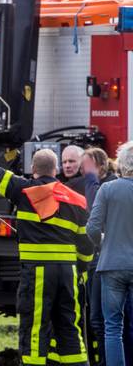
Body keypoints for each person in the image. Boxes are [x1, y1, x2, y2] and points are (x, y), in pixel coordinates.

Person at [0, 133, 93, 366]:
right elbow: (86, 244)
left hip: (38, 273)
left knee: (35, 328)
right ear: (57, 169)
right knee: (69, 326)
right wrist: (82, 270)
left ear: (32, 168)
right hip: (68, 274)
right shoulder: (77, 200)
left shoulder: (23, 190)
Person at [86, 141, 133, 366]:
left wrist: (103, 243)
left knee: (112, 327)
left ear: (121, 165)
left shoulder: (107, 189)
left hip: (111, 265)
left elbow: (92, 228)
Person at [81, 147, 118, 366]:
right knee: (96, 319)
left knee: (105, 321)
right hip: (97, 260)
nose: (83, 170)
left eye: (87, 166)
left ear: (100, 166)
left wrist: (91, 178)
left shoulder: (108, 185)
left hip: (107, 260)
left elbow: (94, 209)